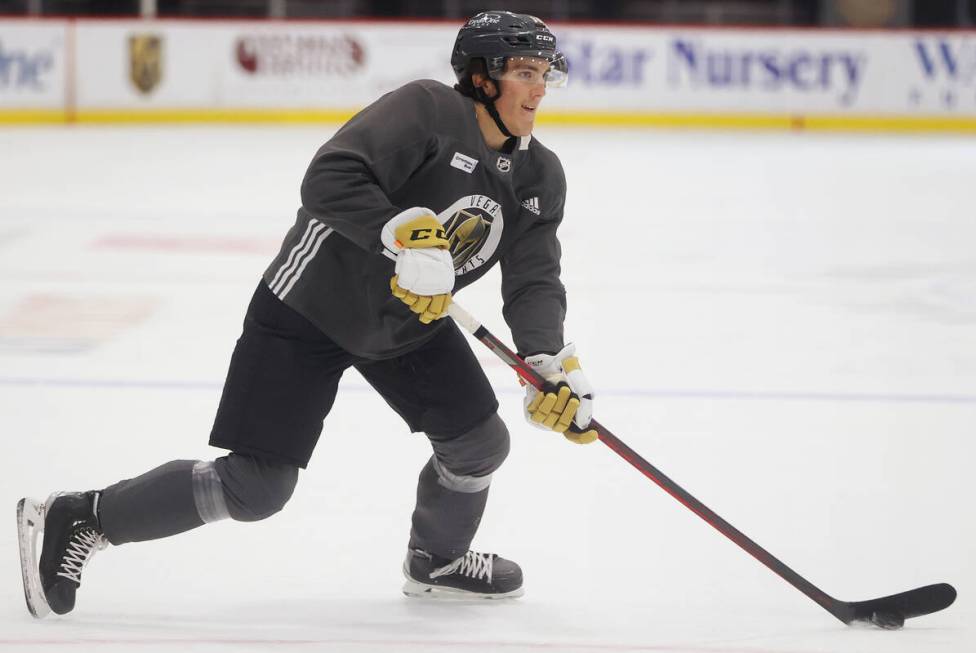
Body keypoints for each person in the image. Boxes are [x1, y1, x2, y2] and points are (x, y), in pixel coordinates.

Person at [16, 10, 599, 618]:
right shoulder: (428, 111)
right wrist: (398, 234)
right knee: (256, 487)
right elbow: (331, 174)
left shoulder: (539, 176)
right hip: (310, 308)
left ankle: (438, 559)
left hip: (406, 324)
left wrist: (545, 361)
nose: (538, 90)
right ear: (481, 78)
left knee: (479, 444)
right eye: (524, 73)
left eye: (544, 74)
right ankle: (82, 516)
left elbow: (534, 277)